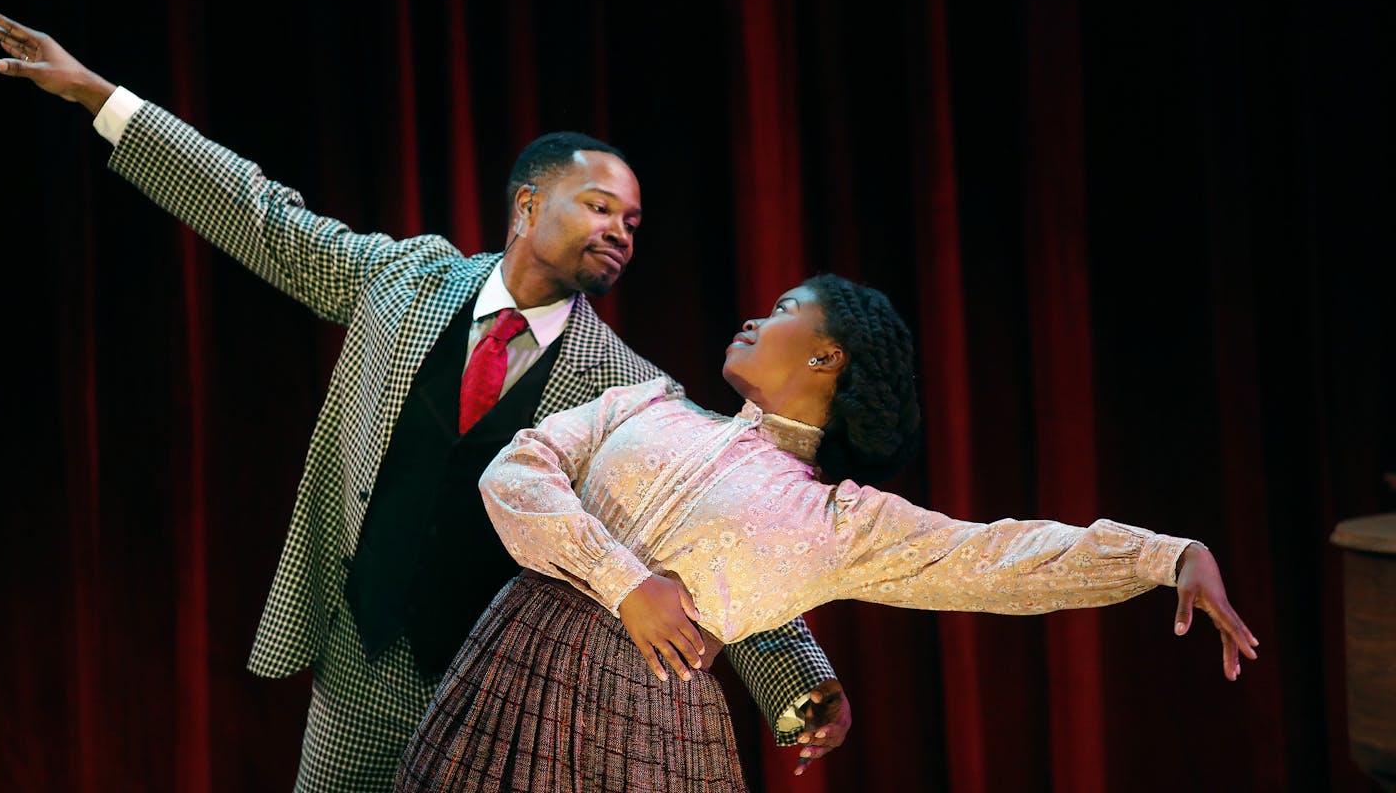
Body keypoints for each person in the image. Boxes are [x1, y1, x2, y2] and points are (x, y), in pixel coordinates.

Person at [0, 8, 853, 790]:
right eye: (597, 206)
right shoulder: (404, 279)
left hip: (493, 694)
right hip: (356, 659)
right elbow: (258, 214)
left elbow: (715, 528)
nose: (619, 231)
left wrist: (797, 679)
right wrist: (101, 98)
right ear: (525, 206)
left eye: (631, 223)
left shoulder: (626, 385)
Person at [396, 274, 1259, 793]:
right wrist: (626, 583)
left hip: (648, 721)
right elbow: (512, 475)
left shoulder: (834, 521)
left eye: (781, 307)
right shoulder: (647, 403)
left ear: (826, 357)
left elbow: (998, 554)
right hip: (508, 666)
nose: (752, 317)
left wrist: (1164, 554)